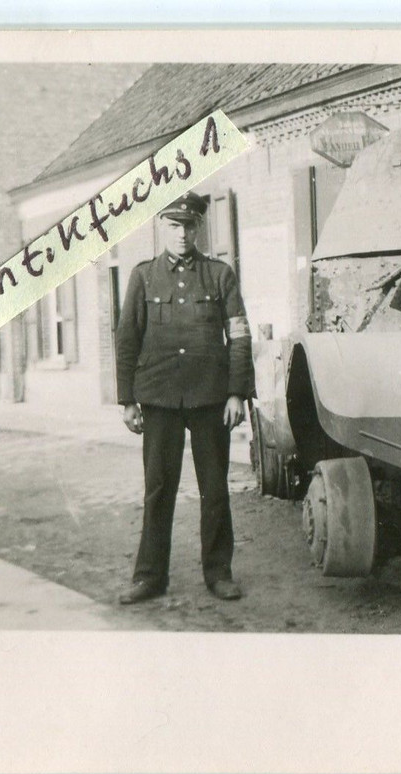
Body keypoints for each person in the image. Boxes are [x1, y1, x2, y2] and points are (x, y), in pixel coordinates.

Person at [114, 192, 254, 603]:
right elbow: (127, 339)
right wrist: (127, 400)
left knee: (215, 490)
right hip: (158, 398)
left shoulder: (219, 275)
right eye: (174, 226)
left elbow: (240, 337)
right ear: (162, 227)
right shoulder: (142, 276)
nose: (182, 234)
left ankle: (218, 573)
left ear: (198, 228)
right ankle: (150, 576)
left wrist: (236, 394)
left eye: (189, 226)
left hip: (210, 397)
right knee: (158, 489)